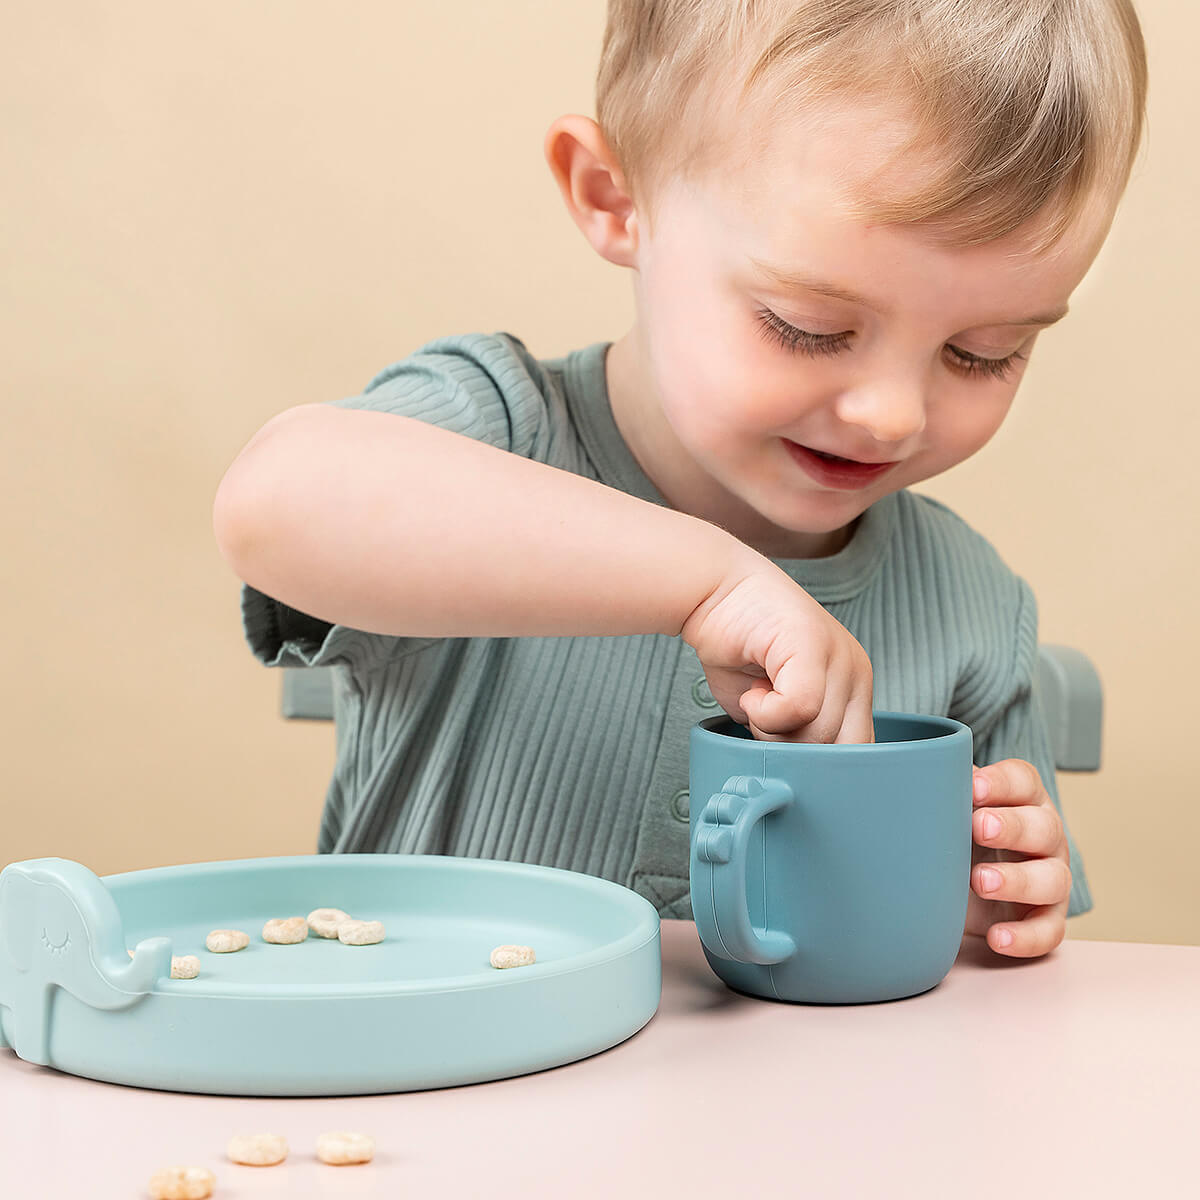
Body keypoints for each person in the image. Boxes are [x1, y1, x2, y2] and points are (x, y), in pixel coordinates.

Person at [213, 1, 1147, 960]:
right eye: (808, 325)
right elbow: (272, 497)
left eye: (985, 352)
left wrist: (983, 907)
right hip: (433, 1091)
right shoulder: (497, 432)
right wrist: (707, 580)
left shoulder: (972, 607)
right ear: (616, 199)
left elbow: (980, 1001)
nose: (893, 414)